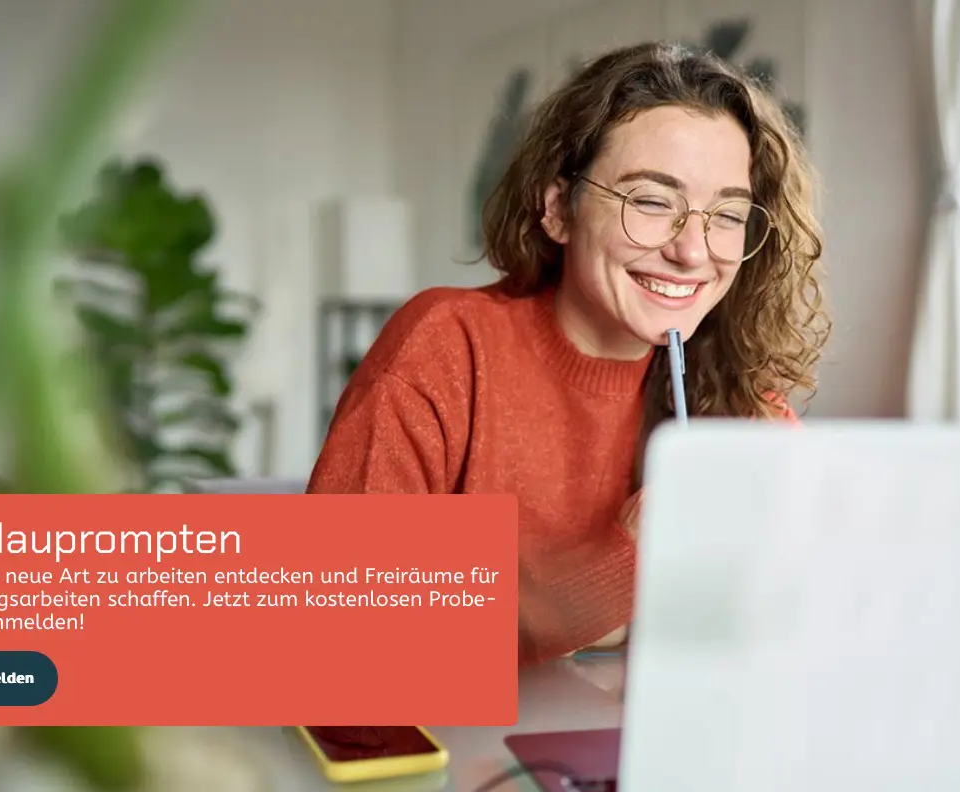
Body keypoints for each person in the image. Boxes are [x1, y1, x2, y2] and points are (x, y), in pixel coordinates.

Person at [307, 41, 830, 666]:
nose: (693, 251)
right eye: (651, 201)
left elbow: (805, 613)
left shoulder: (737, 395)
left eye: (726, 214)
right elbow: (337, 634)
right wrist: (626, 566)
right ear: (559, 209)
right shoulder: (447, 346)